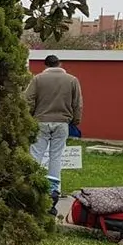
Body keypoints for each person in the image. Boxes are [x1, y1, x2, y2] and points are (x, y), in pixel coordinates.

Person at [25, 54, 83, 213]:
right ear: (60, 64)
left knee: (35, 154)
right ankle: (52, 192)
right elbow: (77, 103)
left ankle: (31, 186)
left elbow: (28, 99)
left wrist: (30, 117)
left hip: (41, 121)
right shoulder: (72, 80)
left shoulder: (38, 79)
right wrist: (75, 121)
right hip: (62, 122)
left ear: (45, 65)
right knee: (56, 156)